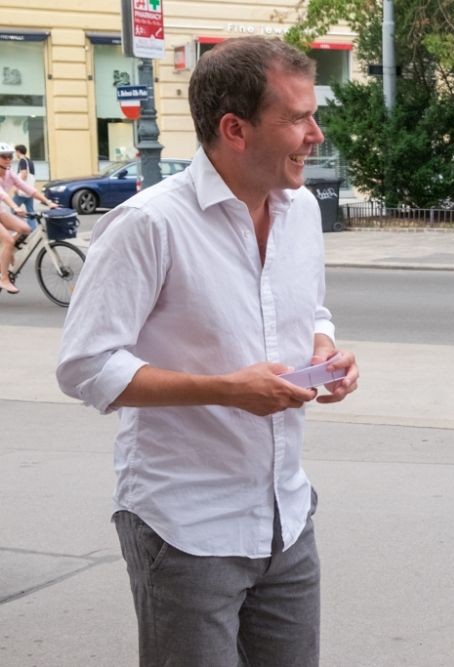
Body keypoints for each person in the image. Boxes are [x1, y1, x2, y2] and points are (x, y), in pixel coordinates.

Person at [56, 36, 359, 666]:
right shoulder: (149, 223)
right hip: (185, 527)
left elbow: (309, 309)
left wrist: (324, 351)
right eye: (298, 118)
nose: (317, 134)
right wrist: (226, 390)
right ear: (234, 129)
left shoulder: (301, 210)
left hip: (286, 516)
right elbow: (87, 366)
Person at [0, 141, 56, 293]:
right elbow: (3, 195)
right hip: (4, 206)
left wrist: (48, 202)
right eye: (3, 156)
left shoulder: (9, 173)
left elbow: (28, 189)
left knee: (25, 229)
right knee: (8, 240)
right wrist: (15, 207)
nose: (8, 159)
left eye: (10, 156)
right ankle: (4, 279)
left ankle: (7, 253)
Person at [13, 144, 36, 217]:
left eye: (16, 152)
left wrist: (17, 187)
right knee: (30, 211)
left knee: (13, 207)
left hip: (23, 190)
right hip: (30, 190)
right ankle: (32, 223)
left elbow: (24, 174)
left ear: (18, 151)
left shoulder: (22, 160)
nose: (15, 154)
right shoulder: (29, 161)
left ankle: (16, 223)